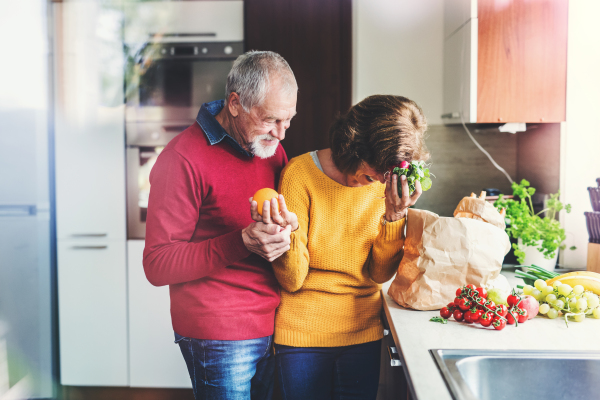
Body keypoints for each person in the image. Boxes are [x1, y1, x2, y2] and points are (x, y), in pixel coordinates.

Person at [143, 50, 299, 400]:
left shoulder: (271, 149)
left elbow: (277, 222)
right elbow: (156, 264)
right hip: (216, 333)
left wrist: (289, 228)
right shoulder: (182, 159)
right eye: (271, 120)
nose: (281, 134)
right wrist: (242, 242)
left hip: (273, 321)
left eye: (288, 120)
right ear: (234, 103)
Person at [252, 95, 429, 400]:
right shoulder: (299, 175)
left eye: (379, 178)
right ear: (351, 147)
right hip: (302, 336)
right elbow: (292, 280)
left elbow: (379, 274)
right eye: (368, 173)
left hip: (363, 330)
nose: (371, 183)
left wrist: (394, 215)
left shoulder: (383, 185)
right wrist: (289, 232)